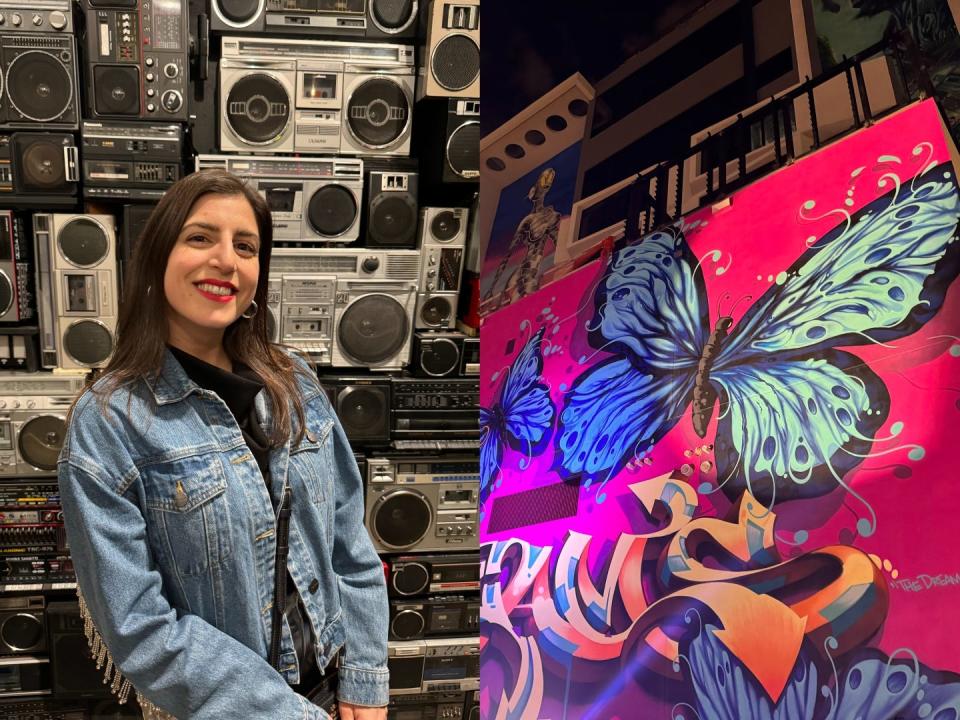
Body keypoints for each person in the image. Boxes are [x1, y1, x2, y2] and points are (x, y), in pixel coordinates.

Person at [57, 170, 389, 720]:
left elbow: (348, 545)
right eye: (200, 238)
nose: (227, 261)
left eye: (246, 246)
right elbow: (140, 627)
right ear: (158, 256)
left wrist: (365, 679)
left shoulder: (297, 383)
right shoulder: (109, 423)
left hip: (341, 693)